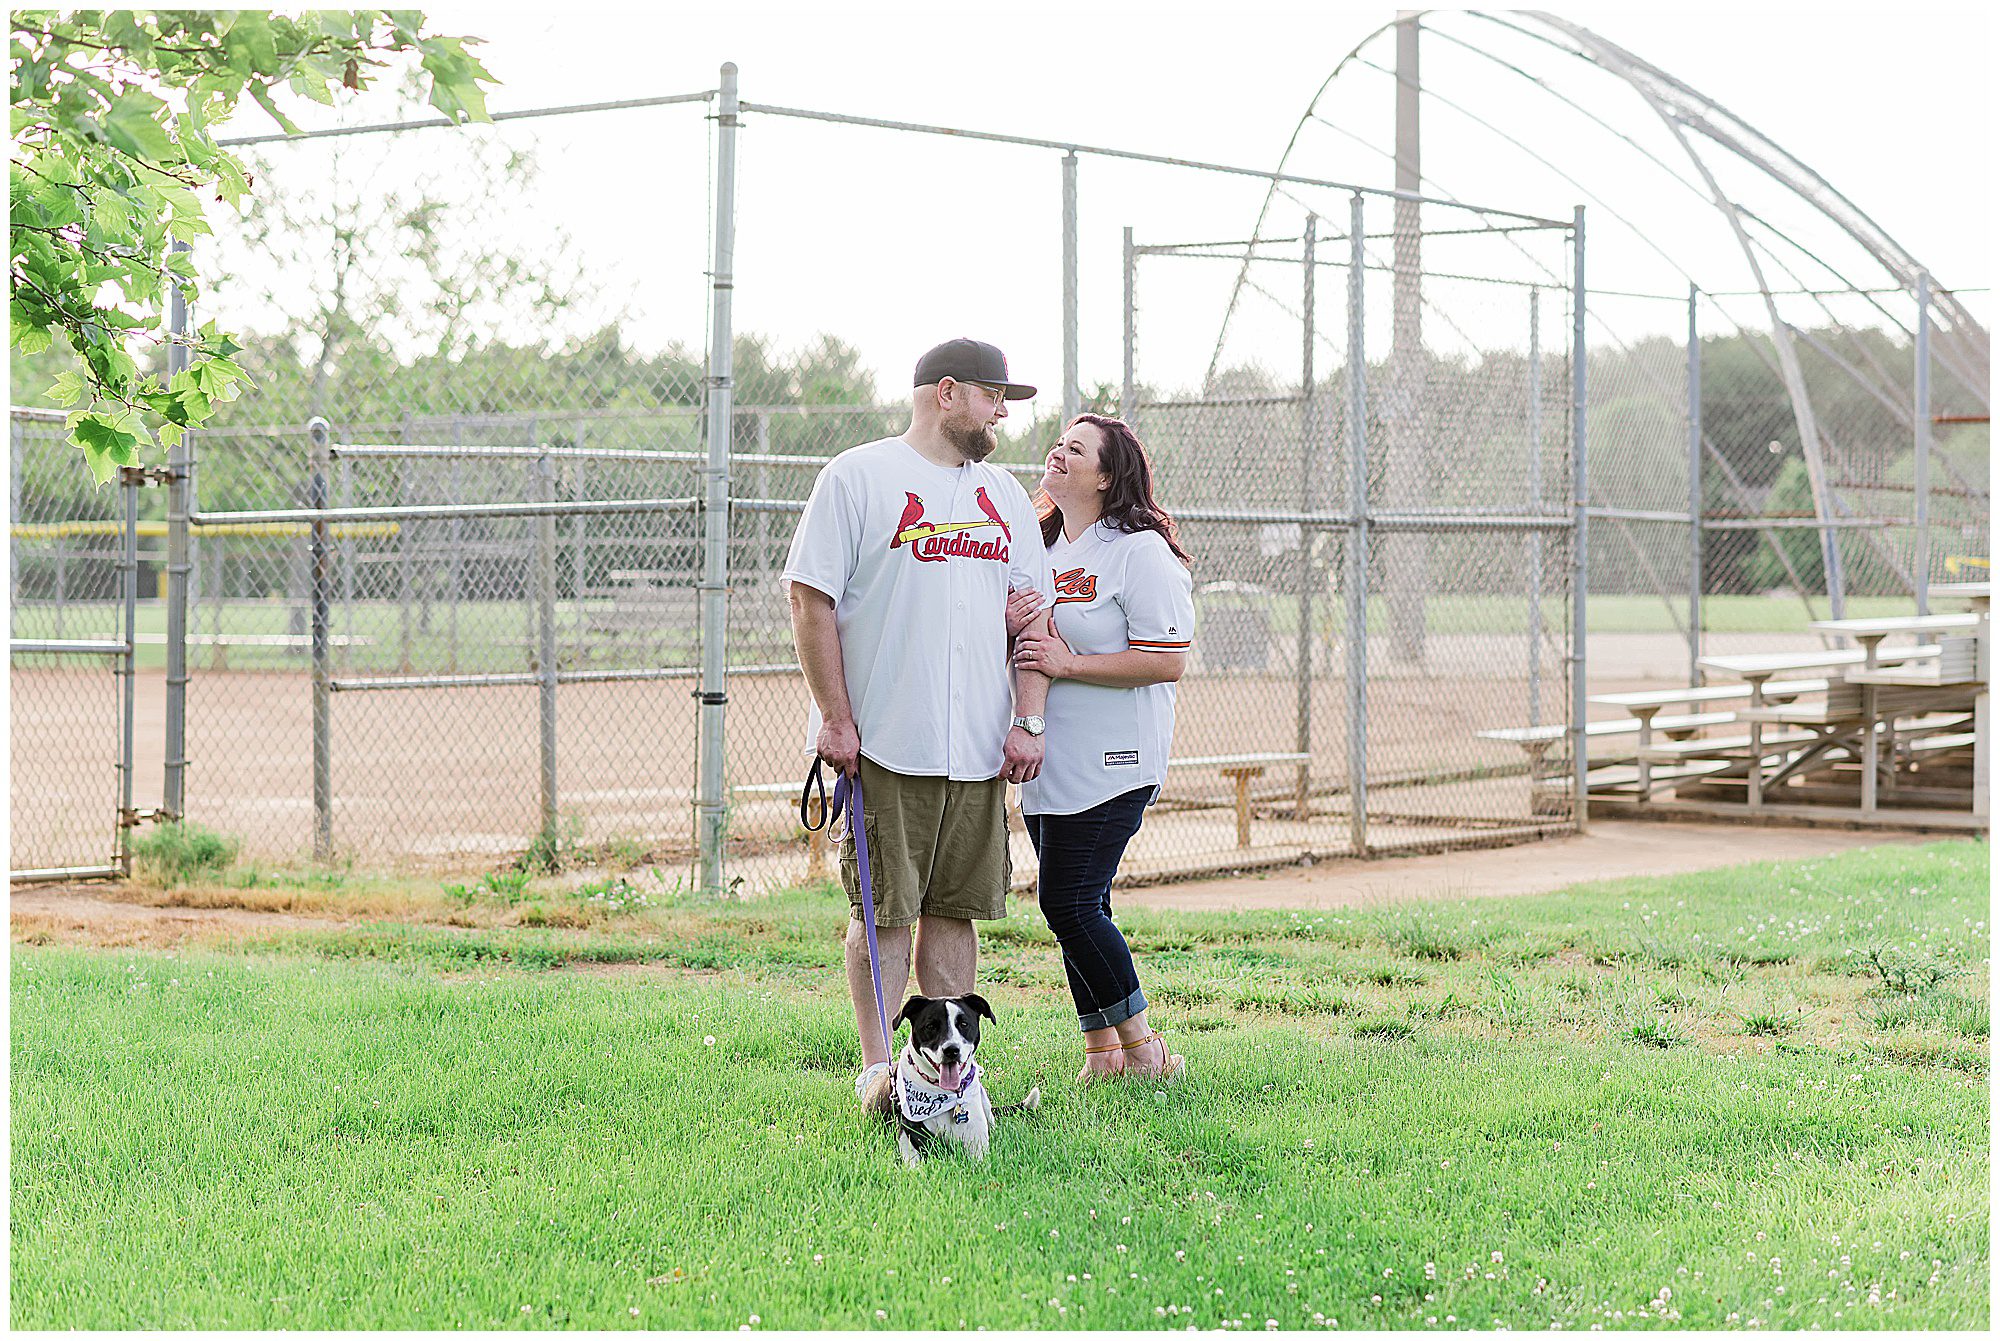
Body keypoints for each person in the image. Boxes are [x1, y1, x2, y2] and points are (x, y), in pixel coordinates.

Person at [784, 338, 1055, 1105]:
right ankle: (880, 1069)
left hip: (974, 746)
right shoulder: (859, 476)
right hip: (884, 741)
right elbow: (810, 599)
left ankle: (951, 1073)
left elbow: (1033, 622)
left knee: (954, 911)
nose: (1002, 412)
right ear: (946, 393)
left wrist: (1026, 721)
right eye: (993, 396)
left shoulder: (1002, 494)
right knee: (883, 912)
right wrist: (836, 718)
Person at [1010, 413, 1195, 1084]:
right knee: (1084, 904)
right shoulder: (1042, 544)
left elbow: (1166, 658)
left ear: (1107, 475)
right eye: (1058, 444)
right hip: (1048, 759)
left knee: (1068, 901)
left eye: (1076, 450)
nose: (1058, 454)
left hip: (1116, 760)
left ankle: (1147, 1051)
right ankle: (1104, 1055)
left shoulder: (1138, 550)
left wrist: (1068, 665)